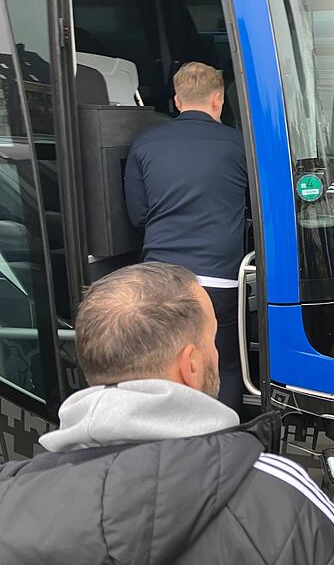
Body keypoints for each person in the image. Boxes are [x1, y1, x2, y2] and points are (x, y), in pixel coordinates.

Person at [0, 263, 334, 565]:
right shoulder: (278, 492)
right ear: (191, 366)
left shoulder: (10, 498)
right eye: (212, 339)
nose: (216, 351)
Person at [124, 61, 248, 414]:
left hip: (160, 281)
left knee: (163, 367)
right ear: (218, 99)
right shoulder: (240, 144)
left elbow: (138, 215)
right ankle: (223, 444)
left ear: (177, 101)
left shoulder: (144, 143)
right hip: (220, 280)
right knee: (222, 366)